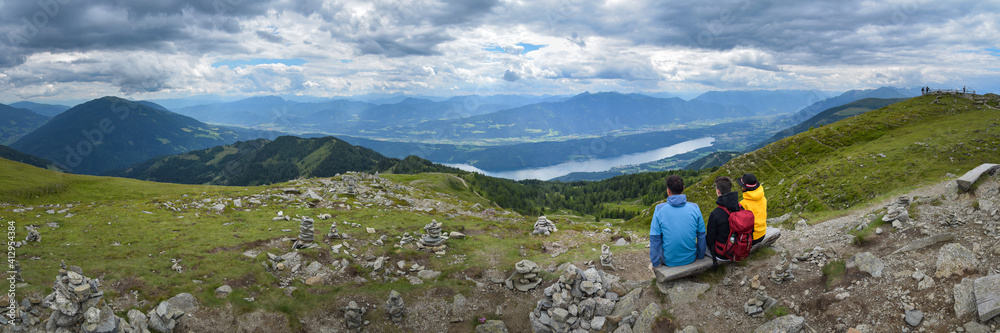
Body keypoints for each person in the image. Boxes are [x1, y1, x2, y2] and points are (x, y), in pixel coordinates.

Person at [649, 175, 706, 269]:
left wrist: (655, 263)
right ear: (683, 189)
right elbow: (701, 235)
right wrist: (700, 256)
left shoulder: (659, 209)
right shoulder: (695, 208)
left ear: (668, 191)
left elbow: (655, 238)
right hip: (690, 258)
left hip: (669, 261)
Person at [707, 176, 740, 262]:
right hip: (737, 249)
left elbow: (710, 239)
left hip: (722, 254)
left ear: (718, 191)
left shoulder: (715, 213)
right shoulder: (740, 207)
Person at [738, 173, 768, 245]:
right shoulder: (763, 199)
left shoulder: (743, 204)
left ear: (744, 188)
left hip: (752, 238)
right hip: (762, 233)